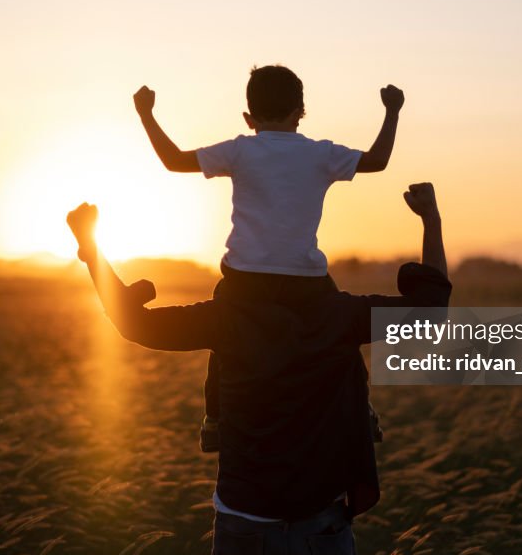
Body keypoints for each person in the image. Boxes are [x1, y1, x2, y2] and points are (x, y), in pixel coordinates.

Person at [67, 183, 450, 555]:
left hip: (242, 524)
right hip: (321, 526)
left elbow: (134, 322)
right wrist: (431, 222)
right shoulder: (340, 315)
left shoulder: (226, 315)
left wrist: (91, 249)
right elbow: (431, 311)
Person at [133, 65, 405, 450]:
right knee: (344, 335)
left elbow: (175, 160)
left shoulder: (240, 149)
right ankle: (362, 409)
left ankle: (215, 418)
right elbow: (377, 160)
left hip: (246, 278)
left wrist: (146, 114)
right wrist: (392, 111)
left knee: (221, 335)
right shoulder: (320, 153)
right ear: (301, 112)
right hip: (306, 280)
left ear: (248, 117)